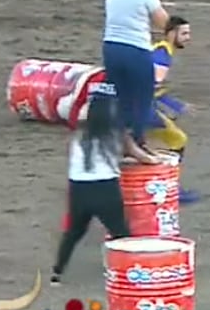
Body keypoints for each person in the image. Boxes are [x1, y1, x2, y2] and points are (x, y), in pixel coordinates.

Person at [50, 88, 156, 286]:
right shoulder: (117, 133)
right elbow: (138, 154)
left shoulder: (79, 135)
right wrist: (154, 160)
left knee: (74, 232)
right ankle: (132, 275)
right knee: (121, 232)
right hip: (106, 189)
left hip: (78, 189)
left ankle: (57, 273)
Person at [103, 0, 168, 148]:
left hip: (111, 47)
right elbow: (164, 23)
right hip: (136, 50)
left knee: (121, 96)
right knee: (142, 97)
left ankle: (119, 139)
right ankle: (137, 141)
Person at [148, 16, 199, 204]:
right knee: (177, 139)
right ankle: (170, 189)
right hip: (140, 107)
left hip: (137, 104)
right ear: (171, 34)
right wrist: (174, 106)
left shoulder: (160, 50)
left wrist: (176, 106)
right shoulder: (162, 56)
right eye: (184, 33)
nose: (188, 37)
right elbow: (151, 87)